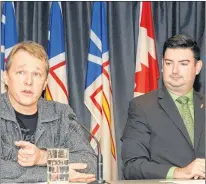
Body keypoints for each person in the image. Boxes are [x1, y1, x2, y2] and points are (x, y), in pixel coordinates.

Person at [0, 41, 97, 183]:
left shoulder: (61, 114)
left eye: (37, 74)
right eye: (21, 72)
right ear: (6, 77)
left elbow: (89, 163)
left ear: (45, 83)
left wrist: (43, 157)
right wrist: (55, 173)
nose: (28, 81)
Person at [121, 35, 205, 180]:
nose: (175, 71)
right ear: (162, 65)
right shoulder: (142, 107)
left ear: (197, 67)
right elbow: (132, 166)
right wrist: (179, 172)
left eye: (183, 64)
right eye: (169, 63)